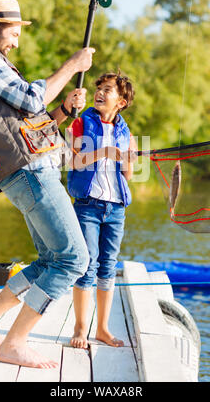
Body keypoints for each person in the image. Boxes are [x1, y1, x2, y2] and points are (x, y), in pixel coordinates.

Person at [0, 0, 95, 369]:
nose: (16, 41)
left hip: (29, 170)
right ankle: (15, 342)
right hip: (30, 173)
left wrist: (63, 109)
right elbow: (31, 99)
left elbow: (28, 121)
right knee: (73, 259)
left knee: (51, 259)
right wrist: (73, 65)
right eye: (14, 33)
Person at [66, 72, 136, 349]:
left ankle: (103, 329)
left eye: (108, 90)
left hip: (116, 207)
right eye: (100, 88)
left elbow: (128, 174)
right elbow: (74, 160)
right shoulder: (81, 122)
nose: (101, 93)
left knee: (108, 267)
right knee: (87, 265)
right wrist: (104, 152)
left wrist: (128, 158)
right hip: (88, 206)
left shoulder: (126, 131)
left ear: (121, 102)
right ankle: (81, 329)